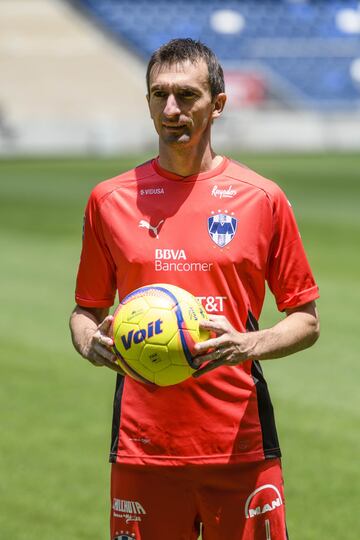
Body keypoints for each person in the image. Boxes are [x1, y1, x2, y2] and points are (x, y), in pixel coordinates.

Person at [70, 38, 320, 540]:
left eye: (187, 96)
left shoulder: (262, 198)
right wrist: (88, 341)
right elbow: (85, 310)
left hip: (240, 445)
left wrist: (249, 344)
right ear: (146, 103)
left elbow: (306, 319)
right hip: (143, 446)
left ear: (218, 104)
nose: (171, 109)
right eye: (159, 95)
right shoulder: (109, 200)